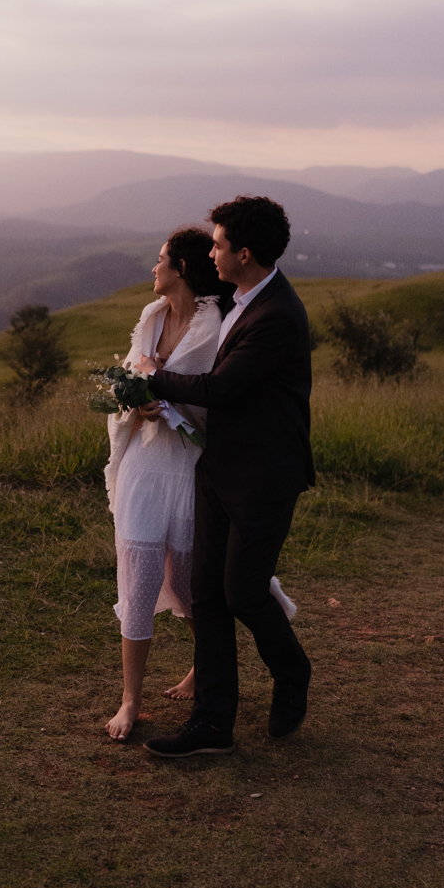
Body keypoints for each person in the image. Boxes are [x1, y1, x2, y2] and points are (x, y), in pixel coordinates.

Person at [103, 227, 296, 741]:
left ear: (181, 268)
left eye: (161, 259)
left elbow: (222, 397)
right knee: (138, 577)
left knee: (197, 585)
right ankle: (130, 699)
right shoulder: (149, 318)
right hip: (145, 464)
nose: (153, 268)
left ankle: (205, 672)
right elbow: (131, 376)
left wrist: (162, 391)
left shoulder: (216, 325)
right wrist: (135, 401)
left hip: (192, 467)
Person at [139, 196, 314, 758]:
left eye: (216, 244)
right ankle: (212, 726)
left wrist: (153, 379)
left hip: (265, 476)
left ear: (243, 253)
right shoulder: (236, 300)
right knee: (206, 595)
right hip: (217, 468)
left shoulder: (278, 316)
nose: (209, 252)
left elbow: (222, 389)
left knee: (242, 593)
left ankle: (292, 671)